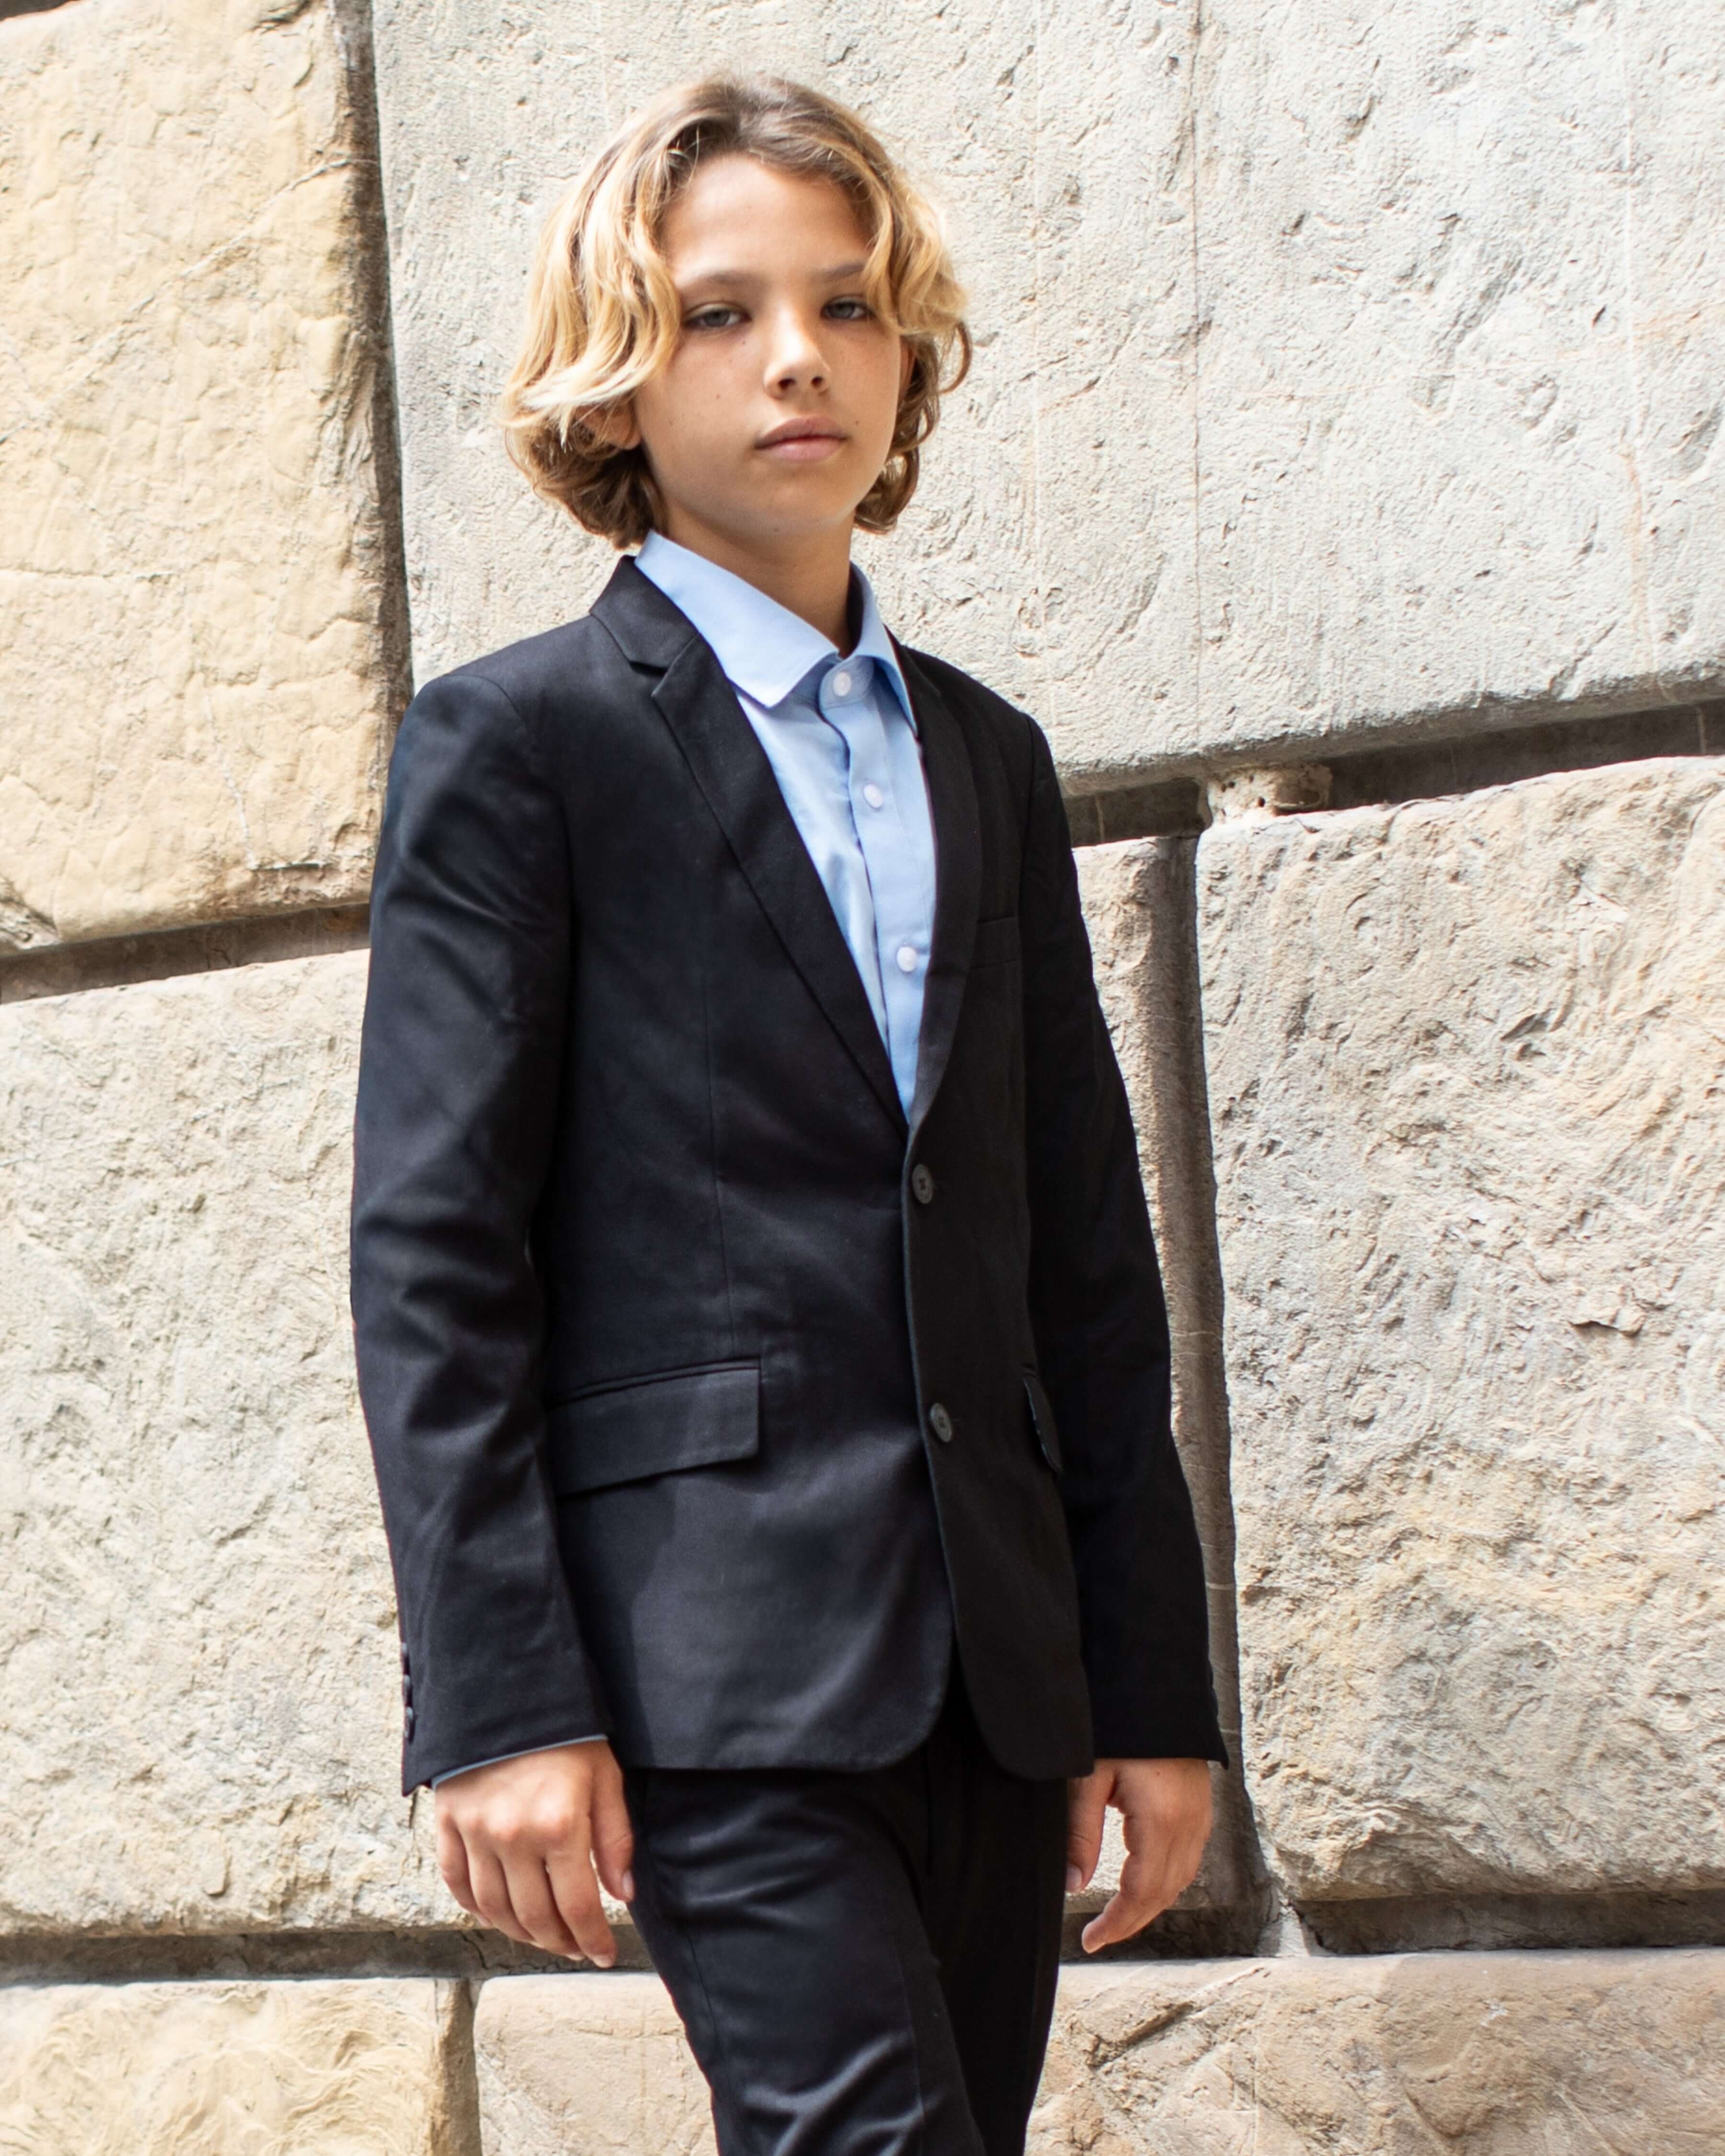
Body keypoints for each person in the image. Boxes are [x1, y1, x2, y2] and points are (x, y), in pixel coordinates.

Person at [350, 72, 1224, 2156]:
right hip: (710, 1670)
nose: (798, 357)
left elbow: (1083, 1256)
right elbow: (436, 1254)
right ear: (617, 377)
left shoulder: (988, 760)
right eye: (721, 313)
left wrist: (1147, 1685)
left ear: (906, 355)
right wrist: (500, 1699)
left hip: (998, 1674)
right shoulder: (522, 747)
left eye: (845, 304)